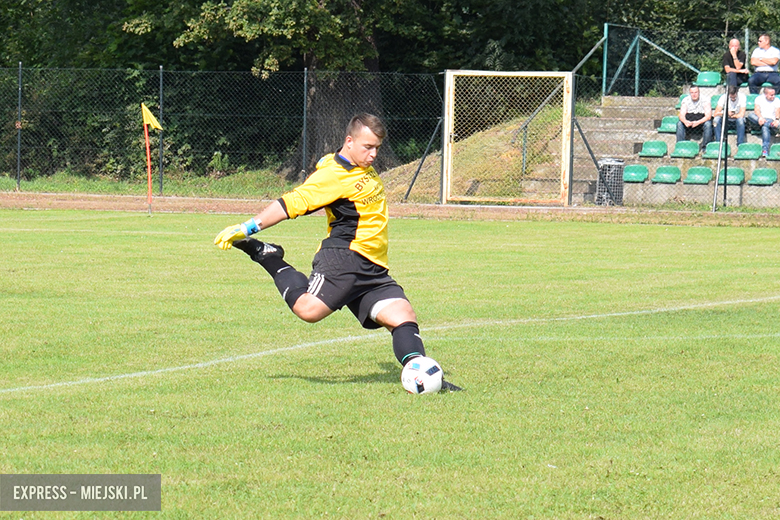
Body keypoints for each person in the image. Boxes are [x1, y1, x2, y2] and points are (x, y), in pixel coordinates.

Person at [213, 113, 459, 391]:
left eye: (377, 147)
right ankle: (268, 256)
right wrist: (247, 228)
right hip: (344, 258)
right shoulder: (333, 176)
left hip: (373, 265)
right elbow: (291, 203)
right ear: (349, 142)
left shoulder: (356, 165)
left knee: (403, 315)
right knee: (308, 310)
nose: (373, 154)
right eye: (368, 147)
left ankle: (425, 377)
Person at [676, 85, 713, 151]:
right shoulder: (685, 100)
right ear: (690, 93)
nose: (694, 94)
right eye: (692, 93)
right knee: (679, 124)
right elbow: (681, 115)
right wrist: (685, 122)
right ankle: (680, 147)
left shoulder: (705, 100)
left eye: (696, 92)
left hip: (701, 121)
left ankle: (705, 148)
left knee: (708, 124)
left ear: (699, 92)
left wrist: (698, 122)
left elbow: (708, 116)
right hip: (689, 121)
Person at [747, 86, 780, 156]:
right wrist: (760, 118)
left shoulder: (777, 100)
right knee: (750, 115)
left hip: (771, 120)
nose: (773, 96)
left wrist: (777, 120)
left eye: (774, 94)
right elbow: (756, 110)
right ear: (766, 94)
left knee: (765, 127)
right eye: (771, 95)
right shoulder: (759, 99)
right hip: (760, 120)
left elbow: (777, 111)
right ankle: (769, 124)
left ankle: (765, 151)